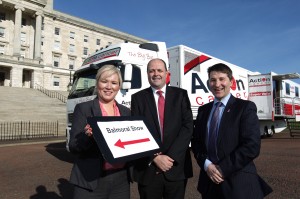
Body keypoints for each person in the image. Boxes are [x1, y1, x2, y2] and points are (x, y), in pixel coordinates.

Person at [192, 63, 273, 199]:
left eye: (222, 79)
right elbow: (196, 142)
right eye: (213, 80)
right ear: (208, 83)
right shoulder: (203, 110)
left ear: (231, 81)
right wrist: (207, 166)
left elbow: (251, 146)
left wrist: (222, 168)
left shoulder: (245, 108)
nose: (217, 84)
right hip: (209, 182)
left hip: (238, 183)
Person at [131, 58, 193, 199]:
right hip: (149, 169)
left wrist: (169, 158)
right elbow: (136, 131)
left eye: (159, 70)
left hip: (175, 167)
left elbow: (187, 127)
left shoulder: (181, 95)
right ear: (147, 74)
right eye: (152, 70)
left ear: (167, 73)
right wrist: (154, 157)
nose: (156, 74)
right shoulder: (138, 98)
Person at [68, 65, 131, 199]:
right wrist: (87, 136)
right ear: (97, 83)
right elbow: (73, 146)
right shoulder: (83, 109)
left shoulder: (126, 112)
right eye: (104, 81)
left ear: (119, 86)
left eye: (114, 83)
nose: (109, 86)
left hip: (120, 179)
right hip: (91, 180)